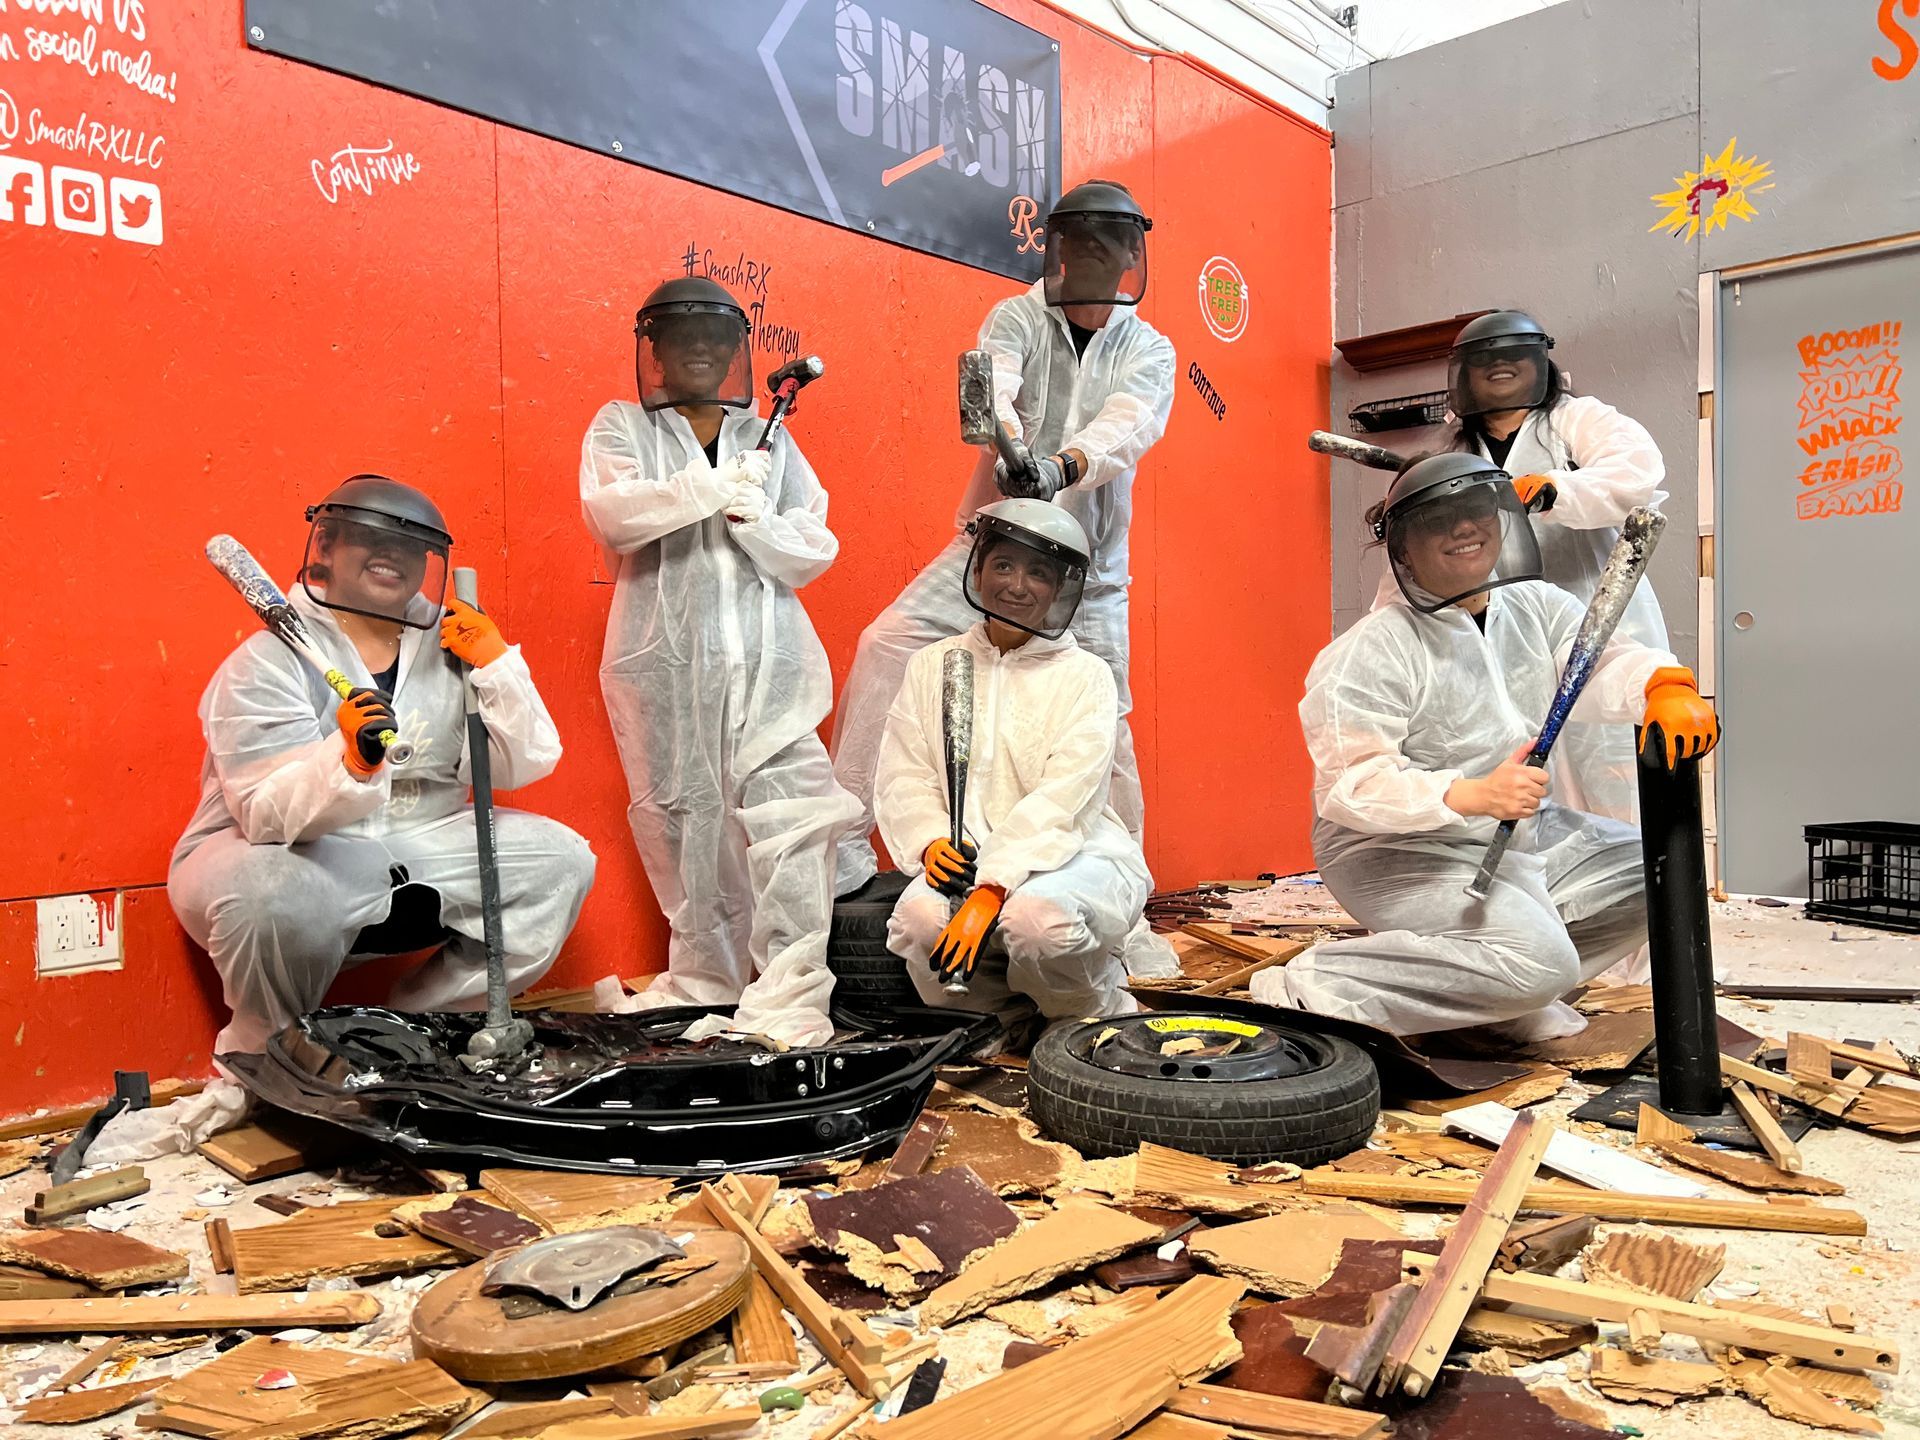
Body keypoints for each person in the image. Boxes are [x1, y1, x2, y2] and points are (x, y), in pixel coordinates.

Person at [1258, 454, 1718, 1040]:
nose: (1464, 530)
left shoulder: (1536, 606)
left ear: (1503, 523)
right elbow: (1353, 787)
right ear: (1403, 549)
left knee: (1660, 871)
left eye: (1476, 513)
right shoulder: (1372, 649)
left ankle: (1496, 994)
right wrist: (1471, 793)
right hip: (1398, 849)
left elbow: (1601, 661)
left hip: (1517, 825)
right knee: (1538, 962)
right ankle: (1316, 985)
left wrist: (1662, 685)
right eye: (1438, 521)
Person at [831, 181, 1176, 925]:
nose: (1090, 256)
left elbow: (1130, 421)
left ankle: (1121, 902)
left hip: (1090, 570)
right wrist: (1011, 445)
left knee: (1105, 722)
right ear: (1055, 248)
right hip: (990, 544)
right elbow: (995, 383)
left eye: (1106, 244)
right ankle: (845, 852)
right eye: (1076, 241)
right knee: (888, 644)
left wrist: (1065, 464)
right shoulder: (1016, 314)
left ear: (1128, 256)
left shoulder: (1150, 347)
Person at [169, 475, 596, 1055]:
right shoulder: (266, 664)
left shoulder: (454, 647)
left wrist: (498, 669)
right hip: (291, 855)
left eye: (407, 547)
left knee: (559, 860)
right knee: (265, 891)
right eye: (368, 539)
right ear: (325, 549)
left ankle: (420, 1030)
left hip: (418, 841)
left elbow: (523, 763)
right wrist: (347, 762)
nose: (389, 555)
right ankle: (269, 1054)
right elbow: (264, 814)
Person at [581, 275, 861, 1048]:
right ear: (656, 355)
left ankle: (792, 992)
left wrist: (759, 520)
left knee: (797, 820)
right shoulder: (620, 426)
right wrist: (707, 488)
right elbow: (615, 513)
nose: (701, 350)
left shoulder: (766, 438)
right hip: (669, 672)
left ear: (737, 351)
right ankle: (707, 976)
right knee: (686, 825)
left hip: (774, 676)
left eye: (717, 338)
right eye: (683, 339)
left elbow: (812, 548)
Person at [874, 499, 1150, 1025]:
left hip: (1070, 851)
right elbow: (905, 771)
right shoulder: (935, 665)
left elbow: (1064, 800)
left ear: (1060, 589)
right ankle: (999, 1017)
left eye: (1038, 573)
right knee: (917, 921)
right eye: (1003, 565)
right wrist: (931, 839)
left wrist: (992, 889)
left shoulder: (1086, 676)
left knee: (1037, 920)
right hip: (968, 849)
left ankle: (1083, 1015)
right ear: (978, 570)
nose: (1018, 586)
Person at [1449, 310, 1670, 821]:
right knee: (1525, 766)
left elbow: (1636, 469)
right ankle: (1541, 892)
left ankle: (1630, 888)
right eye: (1484, 360)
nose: (1499, 366)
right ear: (1463, 375)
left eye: (1511, 355)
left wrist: (1558, 488)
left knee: (1612, 760)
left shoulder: (1577, 420)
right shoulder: (1459, 451)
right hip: (1511, 628)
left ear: (1539, 363)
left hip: (1597, 613)